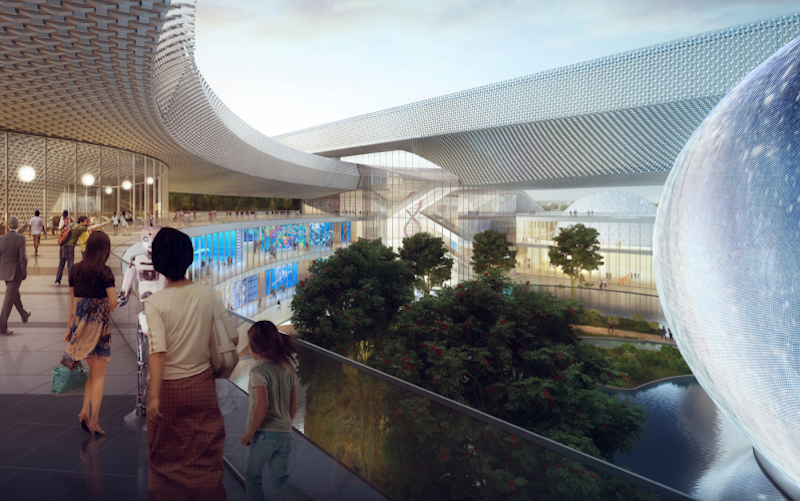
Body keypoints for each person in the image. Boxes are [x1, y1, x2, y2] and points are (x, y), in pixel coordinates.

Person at [144, 228, 233, 501]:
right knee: (206, 452)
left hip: (168, 389)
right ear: (189, 258)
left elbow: (158, 351)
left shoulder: (155, 302)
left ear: (157, 263)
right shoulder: (208, 294)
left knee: (165, 456)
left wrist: (154, 397)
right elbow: (226, 336)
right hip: (202, 386)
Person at [241, 321, 311, 501]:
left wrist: (250, 433)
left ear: (255, 346)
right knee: (280, 480)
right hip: (286, 434)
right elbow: (293, 405)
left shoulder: (258, 370)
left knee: (252, 477)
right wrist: (285, 425)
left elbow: (262, 405)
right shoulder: (288, 368)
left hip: (264, 435)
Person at [61, 232, 117, 436]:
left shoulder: (75, 269)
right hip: (98, 328)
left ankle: (84, 410)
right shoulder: (105, 272)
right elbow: (113, 301)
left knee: (92, 373)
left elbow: (73, 302)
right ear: (105, 250)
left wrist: (69, 330)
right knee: (99, 374)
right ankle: (93, 419)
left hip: (78, 325)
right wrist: (103, 311)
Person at [56, 216, 107, 287]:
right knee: (70, 265)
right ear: (82, 222)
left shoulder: (72, 224)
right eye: (85, 221)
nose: (86, 223)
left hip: (62, 247)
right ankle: (71, 281)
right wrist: (102, 224)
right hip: (69, 248)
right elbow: (92, 227)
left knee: (61, 264)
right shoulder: (79, 228)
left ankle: (57, 281)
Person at [0, 216, 30, 335]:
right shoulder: (21, 238)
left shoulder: (1, 238)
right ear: (18, 226)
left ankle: (23, 314)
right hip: (16, 272)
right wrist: (24, 272)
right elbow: (23, 257)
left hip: (5, 272)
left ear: (8, 227)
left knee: (14, 294)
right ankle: (2, 327)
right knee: (9, 298)